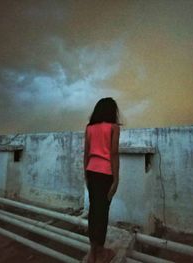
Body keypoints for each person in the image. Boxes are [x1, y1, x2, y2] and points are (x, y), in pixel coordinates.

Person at [83, 97, 121, 263]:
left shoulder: (89, 128)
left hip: (91, 171)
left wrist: (86, 173)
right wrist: (116, 178)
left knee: (93, 211)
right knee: (102, 211)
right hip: (106, 173)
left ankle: (93, 252)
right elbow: (113, 153)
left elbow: (86, 153)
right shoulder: (113, 128)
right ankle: (101, 252)